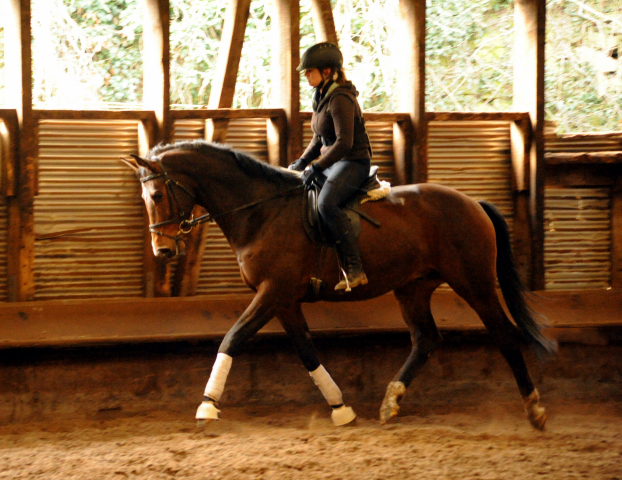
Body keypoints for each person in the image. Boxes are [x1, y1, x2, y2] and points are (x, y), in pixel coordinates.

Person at [288, 42, 372, 291]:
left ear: (327, 71)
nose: (305, 74)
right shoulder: (322, 97)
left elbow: (344, 143)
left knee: (326, 203)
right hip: (334, 163)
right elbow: (319, 137)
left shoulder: (341, 100)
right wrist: (302, 162)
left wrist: (317, 166)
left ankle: (355, 269)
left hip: (353, 162)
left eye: (309, 70)